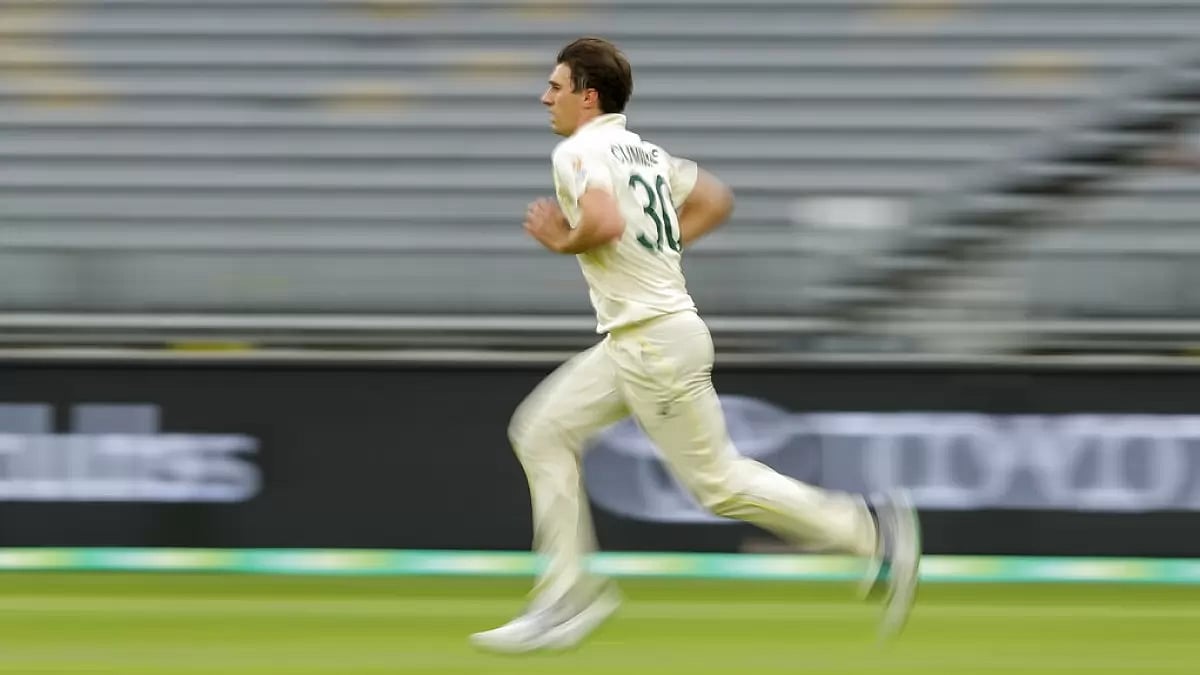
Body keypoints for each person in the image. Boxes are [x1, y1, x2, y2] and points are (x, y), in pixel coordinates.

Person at [469, 36, 921, 654]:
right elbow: (715, 197)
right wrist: (660, 251)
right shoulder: (644, 152)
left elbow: (602, 223)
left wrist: (561, 238)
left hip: (650, 341)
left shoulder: (580, 150)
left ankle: (870, 531)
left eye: (556, 86)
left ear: (587, 96)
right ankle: (567, 596)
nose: (545, 96)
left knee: (718, 484)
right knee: (543, 431)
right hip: (643, 336)